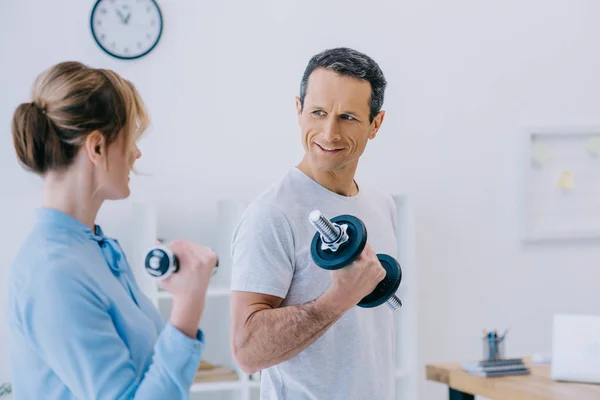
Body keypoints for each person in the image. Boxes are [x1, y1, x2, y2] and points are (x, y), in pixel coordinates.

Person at [5, 61, 217, 399]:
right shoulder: (53, 271)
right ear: (97, 147)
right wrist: (187, 308)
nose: (136, 153)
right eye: (131, 137)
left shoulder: (95, 249)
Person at [230, 47, 398, 400]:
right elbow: (247, 353)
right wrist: (338, 298)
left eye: (348, 117)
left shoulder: (382, 205)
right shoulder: (271, 214)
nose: (329, 132)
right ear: (298, 110)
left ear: (376, 125)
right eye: (318, 112)